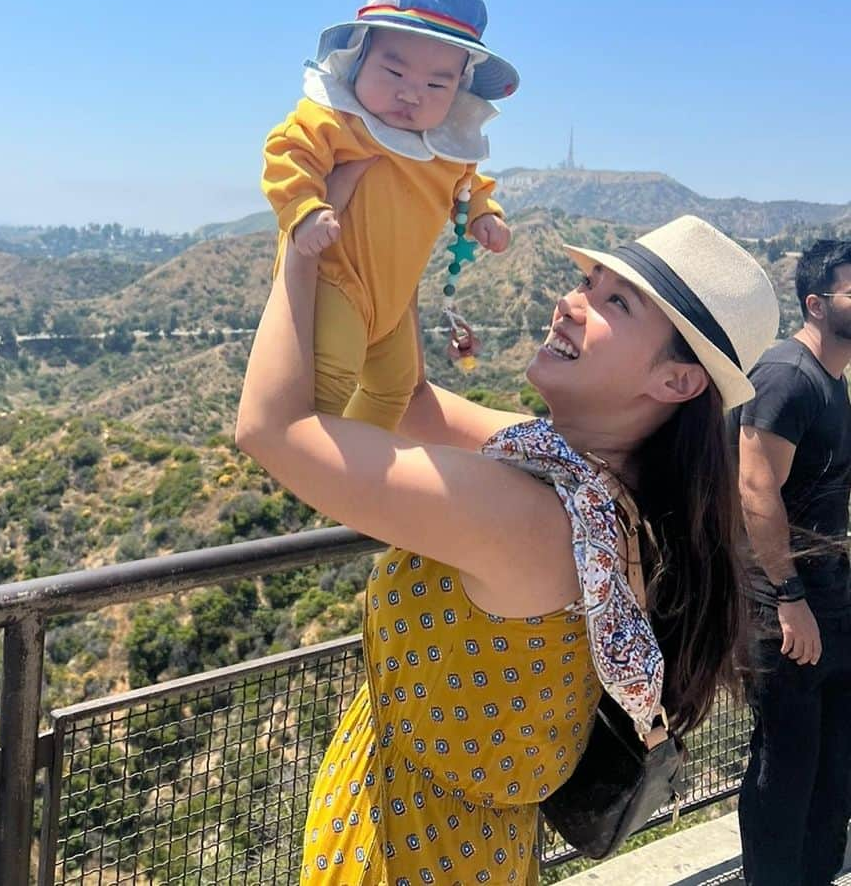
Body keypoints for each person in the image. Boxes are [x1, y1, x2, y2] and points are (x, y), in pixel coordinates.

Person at [236, 172, 779, 886]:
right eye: (587, 280)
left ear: (678, 382)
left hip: (408, 856)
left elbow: (272, 429)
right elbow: (413, 405)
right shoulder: (585, 483)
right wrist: (391, 231)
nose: (572, 302)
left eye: (615, 302)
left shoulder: (535, 517)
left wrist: (300, 239)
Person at [261, 0, 518, 432]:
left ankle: (363, 463)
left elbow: (469, 187)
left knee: (394, 387)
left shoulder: (446, 147)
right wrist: (306, 209)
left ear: (459, 90)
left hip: (395, 298)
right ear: (359, 58)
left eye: (436, 83)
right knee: (329, 379)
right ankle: (315, 466)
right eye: (394, 73)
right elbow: (287, 152)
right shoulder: (339, 120)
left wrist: (485, 216)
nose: (412, 95)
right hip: (336, 280)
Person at [738, 239, 851, 886]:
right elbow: (754, 487)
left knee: (833, 771)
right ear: (815, 303)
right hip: (784, 609)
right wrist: (787, 596)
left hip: (830, 601)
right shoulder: (786, 374)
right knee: (786, 771)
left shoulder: (832, 383)